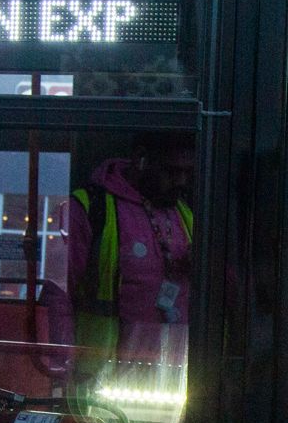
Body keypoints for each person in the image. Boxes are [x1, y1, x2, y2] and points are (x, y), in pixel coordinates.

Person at [60, 132, 195, 366]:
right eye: (172, 171)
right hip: (104, 374)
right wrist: (57, 365)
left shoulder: (185, 214)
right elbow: (58, 295)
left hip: (174, 371)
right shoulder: (91, 209)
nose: (181, 182)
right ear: (141, 158)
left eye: (187, 173)